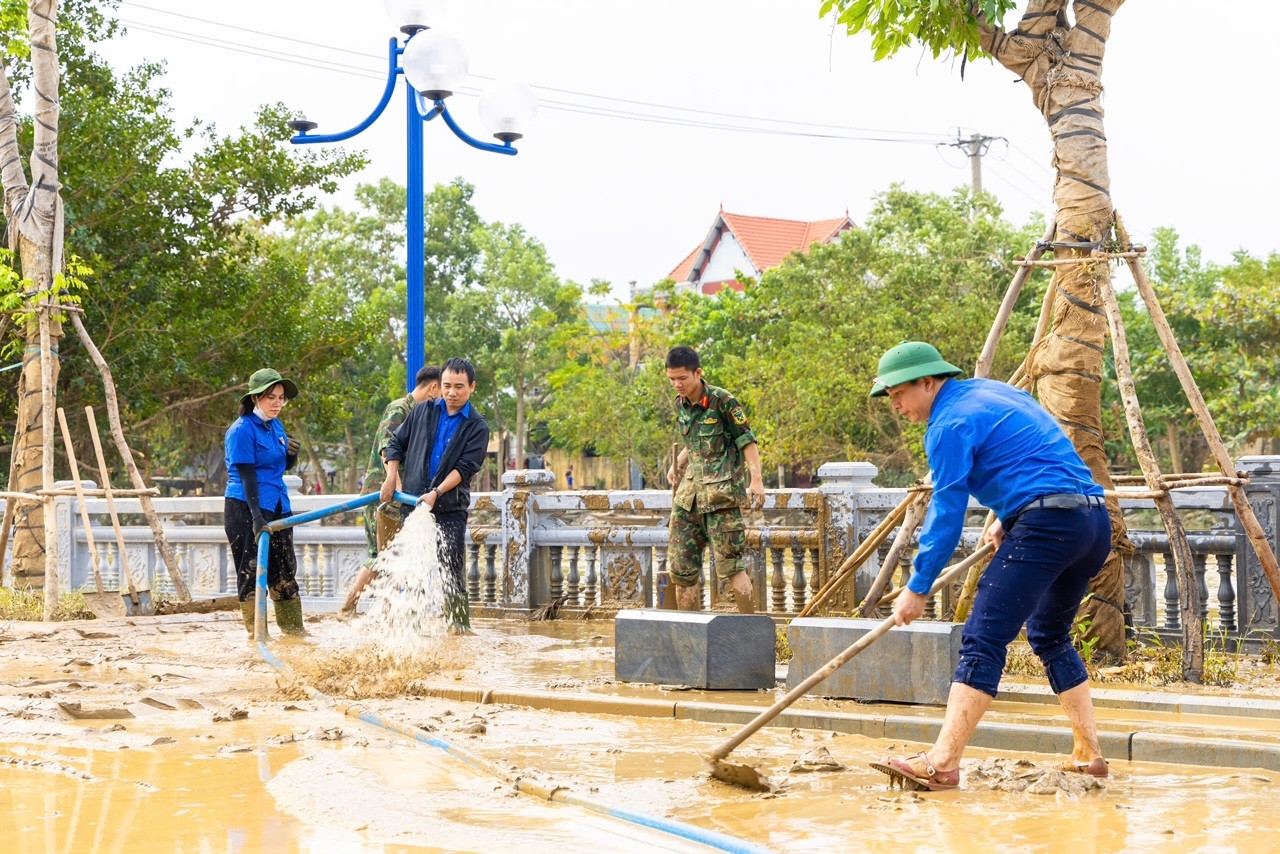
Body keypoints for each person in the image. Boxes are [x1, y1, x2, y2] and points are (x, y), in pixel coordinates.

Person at [866, 341, 1112, 791]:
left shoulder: (947, 424)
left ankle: (942, 763)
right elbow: (1036, 452)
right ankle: (1089, 753)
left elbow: (947, 512)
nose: (895, 405)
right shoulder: (996, 392)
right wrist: (1006, 514)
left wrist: (918, 587)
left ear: (928, 382)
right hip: (1092, 522)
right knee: (1050, 635)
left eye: (899, 393)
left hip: (1049, 525)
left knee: (982, 639)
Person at [382, 358, 489, 633]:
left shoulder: (477, 426)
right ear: (439, 386)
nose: (452, 392)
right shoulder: (422, 412)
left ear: (472, 387)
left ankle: (459, 628)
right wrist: (391, 476)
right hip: (414, 504)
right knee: (412, 568)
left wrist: (437, 492)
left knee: (451, 568)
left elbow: (465, 468)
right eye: (447, 386)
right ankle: (410, 628)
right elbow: (395, 442)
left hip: (450, 508)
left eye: (459, 387)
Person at [664, 345, 765, 613]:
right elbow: (694, 440)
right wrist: (679, 463)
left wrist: (756, 480)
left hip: (721, 497)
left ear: (698, 373)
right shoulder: (681, 404)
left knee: (732, 565)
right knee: (681, 568)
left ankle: (750, 627)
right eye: (672, 379)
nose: (677, 384)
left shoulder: (723, 401)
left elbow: (747, 440)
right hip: (688, 498)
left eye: (682, 378)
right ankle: (688, 630)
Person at [338, 364, 442, 618]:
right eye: (442, 391)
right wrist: (393, 482)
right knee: (381, 556)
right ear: (433, 388)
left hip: (399, 496)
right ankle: (348, 607)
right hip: (384, 494)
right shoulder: (400, 409)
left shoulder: (419, 414)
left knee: (394, 557)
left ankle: (388, 614)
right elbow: (388, 446)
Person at [224, 368, 306, 637]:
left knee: (285, 569)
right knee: (250, 570)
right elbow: (247, 475)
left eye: (281, 398)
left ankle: (294, 632)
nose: (277, 403)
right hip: (246, 506)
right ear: (255, 398)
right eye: (271, 397)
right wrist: (256, 517)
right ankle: (257, 634)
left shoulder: (276, 426)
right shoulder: (241, 430)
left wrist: (292, 456)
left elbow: (281, 466)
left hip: (278, 504)